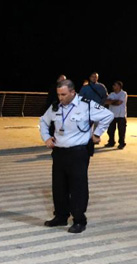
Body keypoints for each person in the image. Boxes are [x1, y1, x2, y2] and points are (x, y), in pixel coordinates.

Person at [39, 79, 113, 233]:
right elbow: (43, 121)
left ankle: (79, 220)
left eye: (64, 94)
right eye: (59, 94)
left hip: (78, 153)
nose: (61, 98)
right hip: (59, 152)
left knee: (78, 187)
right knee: (59, 186)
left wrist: (97, 133)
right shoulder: (55, 106)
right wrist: (46, 137)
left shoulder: (86, 105)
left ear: (73, 92)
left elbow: (108, 115)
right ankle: (61, 216)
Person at [104, 81, 128, 149]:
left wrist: (111, 102)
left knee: (121, 131)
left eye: (115, 85)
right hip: (112, 115)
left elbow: (119, 103)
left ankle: (121, 143)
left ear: (119, 86)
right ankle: (111, 142)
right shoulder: (112, 94)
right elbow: (106, 102)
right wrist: (114, 101)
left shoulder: (123, 93)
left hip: (121, 115)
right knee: (110, 130)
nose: (113, 86)